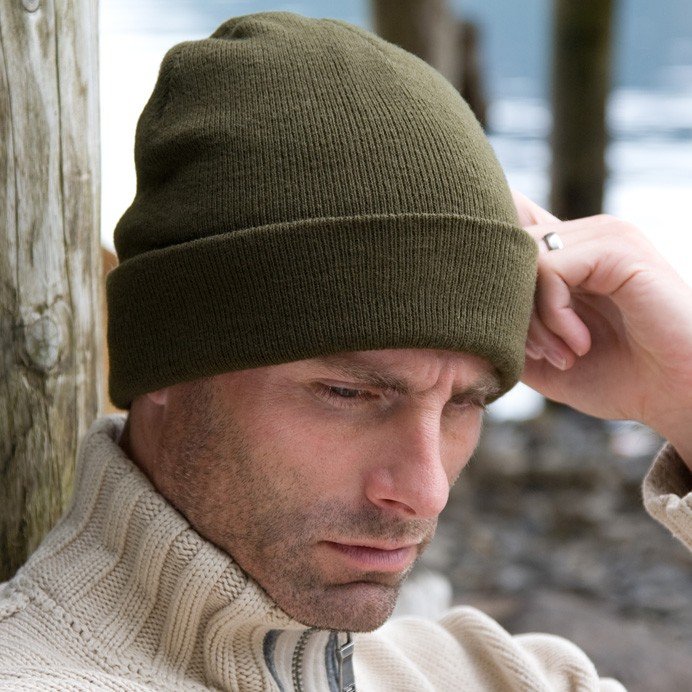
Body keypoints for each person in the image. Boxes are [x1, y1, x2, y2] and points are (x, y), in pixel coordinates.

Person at [0, 11, 690, 691]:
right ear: (168, 356)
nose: (427, 491)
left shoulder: (497, 676)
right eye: (350, 393)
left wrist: (682, 392)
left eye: (465, 403)